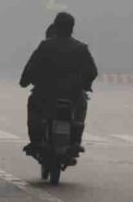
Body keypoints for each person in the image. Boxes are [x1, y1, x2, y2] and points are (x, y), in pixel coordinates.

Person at [19, 11, 98, 158]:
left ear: (55, 27)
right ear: (72, 28)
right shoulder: (81, 48)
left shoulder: (45, 45)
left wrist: (25, 81)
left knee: (34, 108)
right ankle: (75, 141)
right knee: (80, 111)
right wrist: (85, 84)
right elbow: (92, 71)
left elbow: (32, 66)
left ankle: (36, 141)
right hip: (73, 94)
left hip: (46, 93)